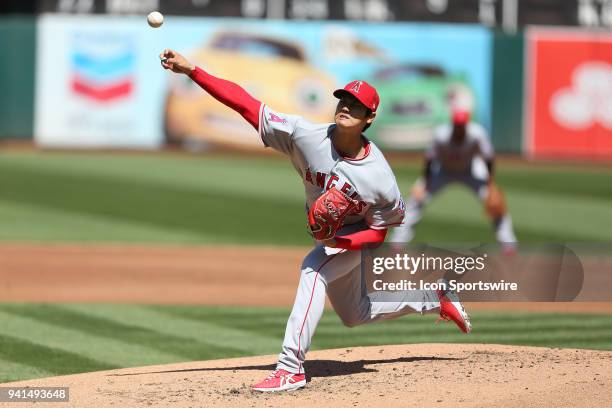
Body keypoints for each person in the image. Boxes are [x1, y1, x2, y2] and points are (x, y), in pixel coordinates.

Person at [159, 49, 472, 393]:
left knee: (314, 270)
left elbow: (378, 233)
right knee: (355, 314)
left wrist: (342, 243)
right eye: (343, 100)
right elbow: (246, 104)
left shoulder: (379, 176)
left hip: (355, 237)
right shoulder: (306, 135)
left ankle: (290, 368)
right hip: (335, 238)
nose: (346, 108)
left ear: (370, 117)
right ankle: (434, 296)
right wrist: (193, 71)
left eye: (355, 105)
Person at [391, 110, 517, 253]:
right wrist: (424, 184)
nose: (459, 128)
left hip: (471, 170)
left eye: (462, 125)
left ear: (466, 125)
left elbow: (488, 158)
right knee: (415, 200)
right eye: (457, 125)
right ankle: (397, 243)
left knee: (495, 203)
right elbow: (430, 159)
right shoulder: (441, 135)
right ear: (453, 124)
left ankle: (509, 245)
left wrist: (491, 185)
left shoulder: (477, 134)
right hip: (443, 170)